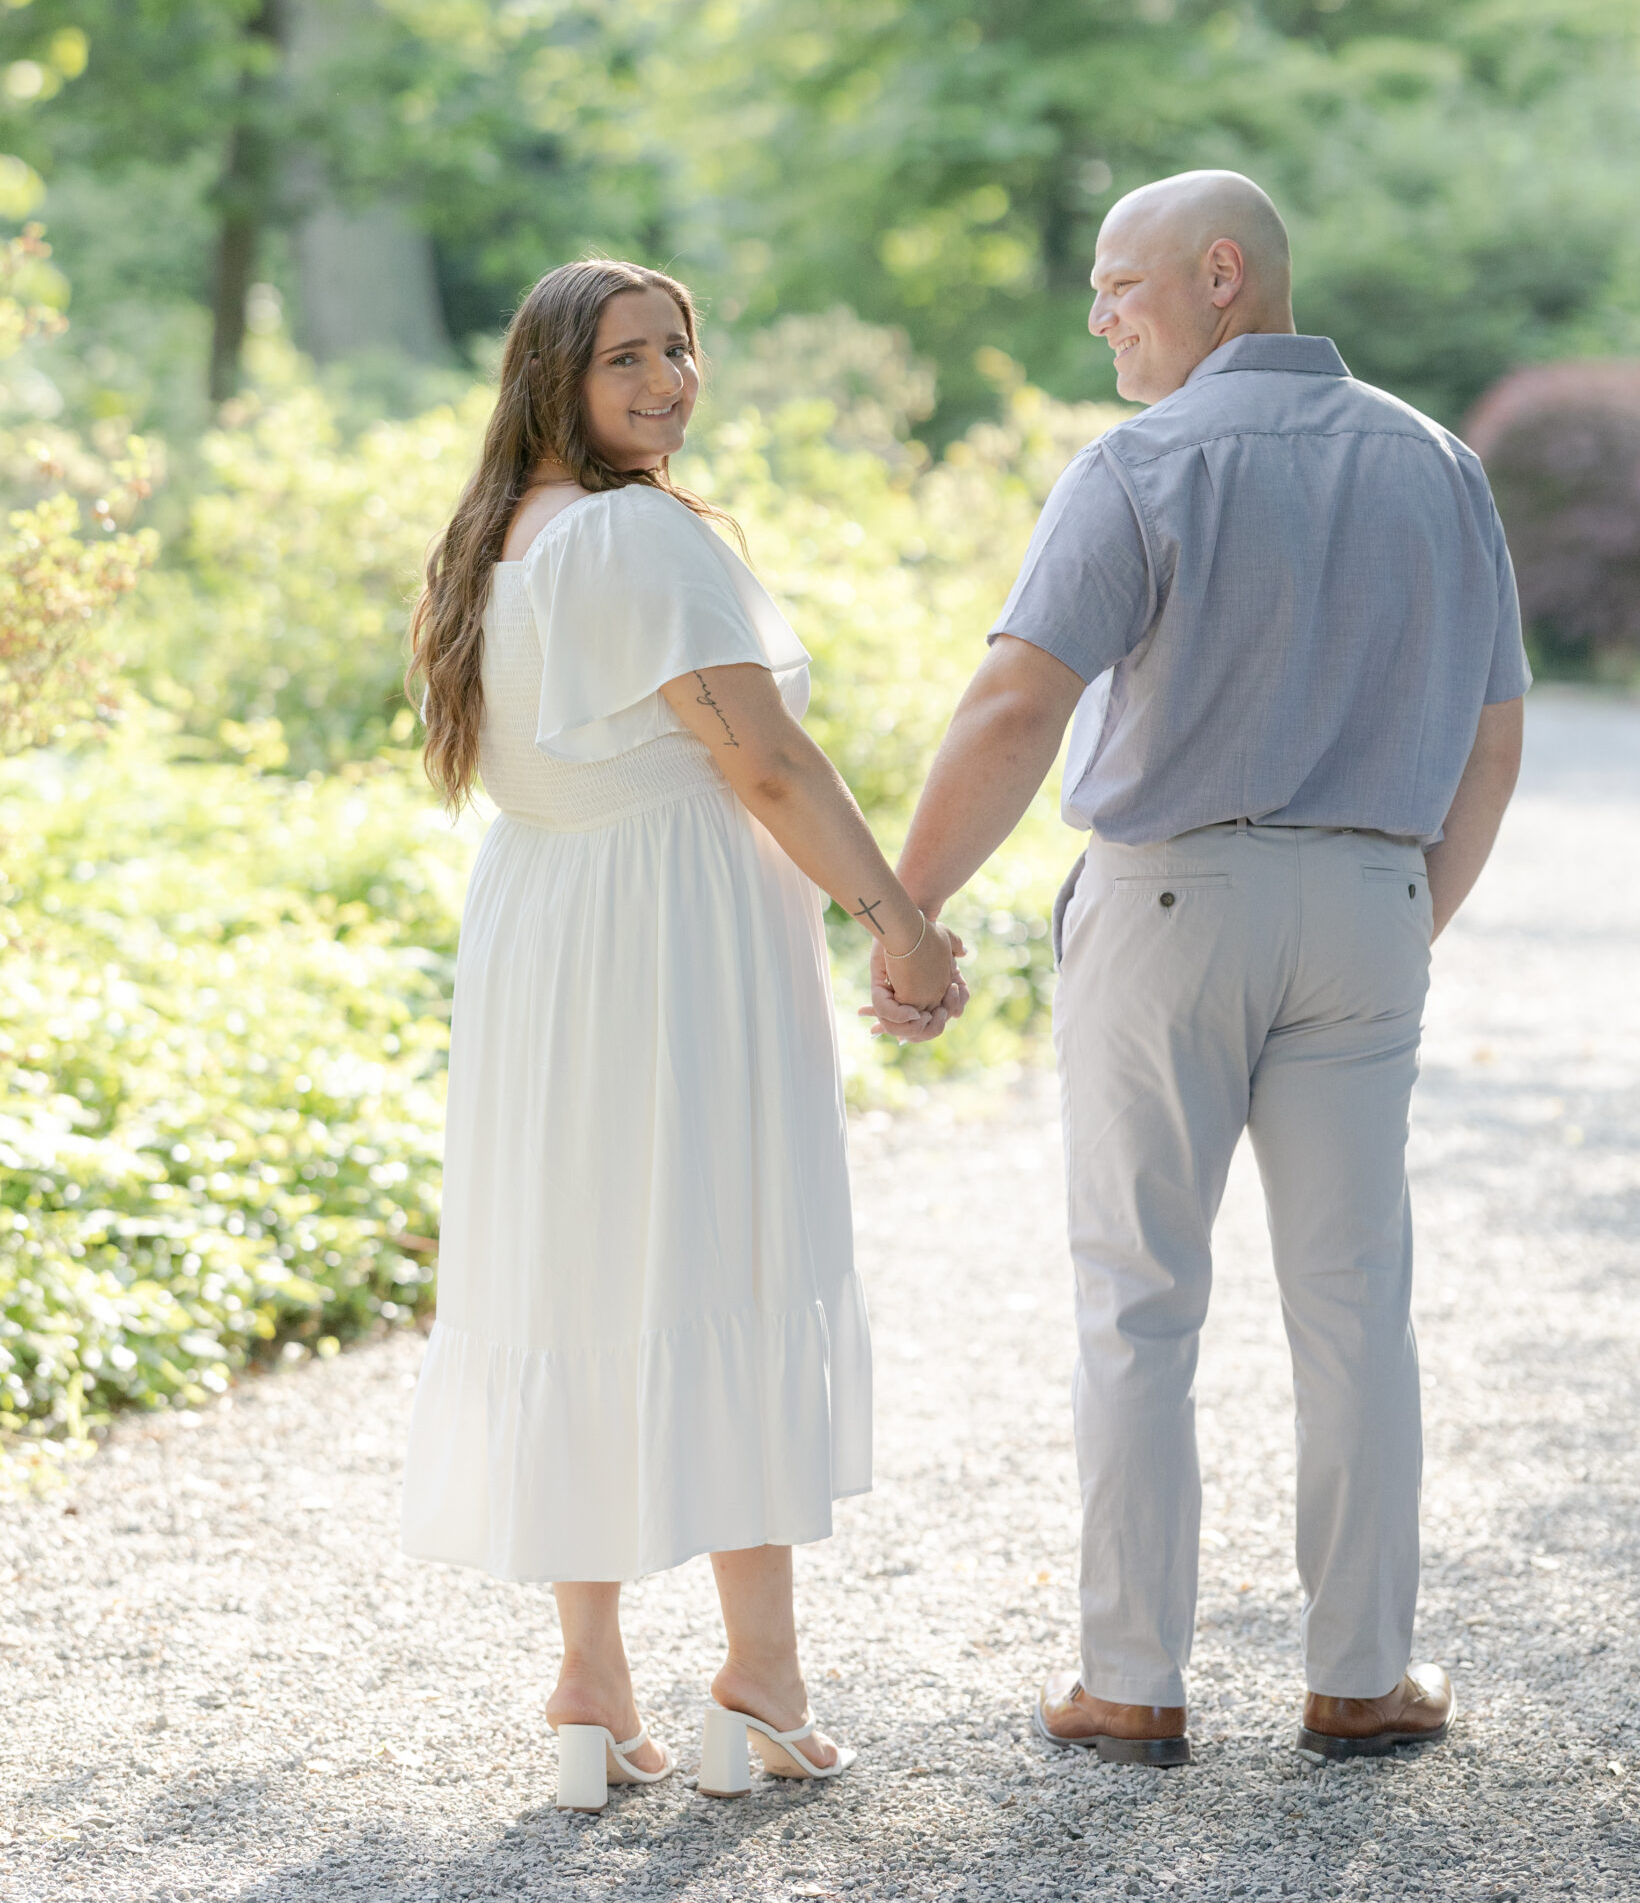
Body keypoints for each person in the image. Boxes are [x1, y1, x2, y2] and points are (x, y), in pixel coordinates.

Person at [868, 170, 1526, 1766]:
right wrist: (1397, 914)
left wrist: (906, 915)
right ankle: (1361, 1676)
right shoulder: (1440, 464)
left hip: (1169, 907)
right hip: (1372, 902)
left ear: (1221, 274)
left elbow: (1013, 707)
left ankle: (1131, 1682)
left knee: (1140, 1300)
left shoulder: (1145, 464)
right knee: (1358, 1303)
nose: (1098, 317)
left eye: (1120, 285)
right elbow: (1497, 738)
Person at [401, 257, 964, 1811]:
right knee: (730, 1254)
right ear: (553, 383)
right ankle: (760, 1685)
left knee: (578, 1269)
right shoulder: (642, 533)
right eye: (625, 362)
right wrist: (900, 923)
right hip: (670, 939)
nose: (663, 384)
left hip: (547, 933)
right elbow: (766, 762)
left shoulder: (496, 538)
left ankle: (592, 1689)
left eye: (678, 351)